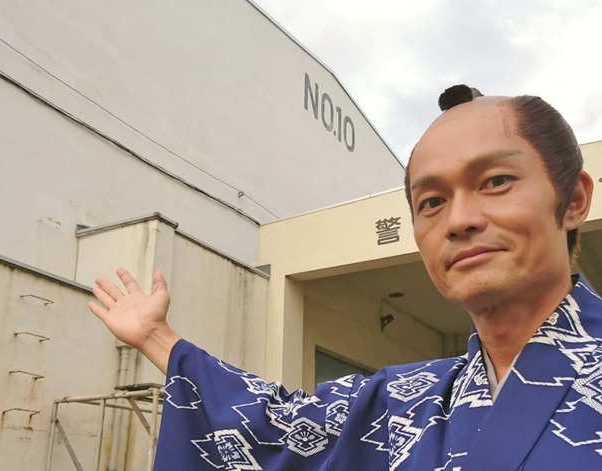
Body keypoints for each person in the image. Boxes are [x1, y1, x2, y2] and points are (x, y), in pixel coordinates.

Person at [89, 85, 602, 470]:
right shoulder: (404, 402)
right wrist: (155, 336)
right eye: (431, 202)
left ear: (573, 200)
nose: (459, 220)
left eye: (496, 181)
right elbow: (274, 425)